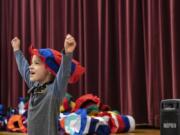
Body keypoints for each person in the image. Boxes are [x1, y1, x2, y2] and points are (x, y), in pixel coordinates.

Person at [11, 34, 76, 135]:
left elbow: (64, 74)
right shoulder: (35, 86)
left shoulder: (55, 90)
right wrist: (16, 50)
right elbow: (24, 68)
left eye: (36, 63)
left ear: (49, 70)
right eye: (31, 63)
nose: (30, 67)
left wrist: (67, 54)